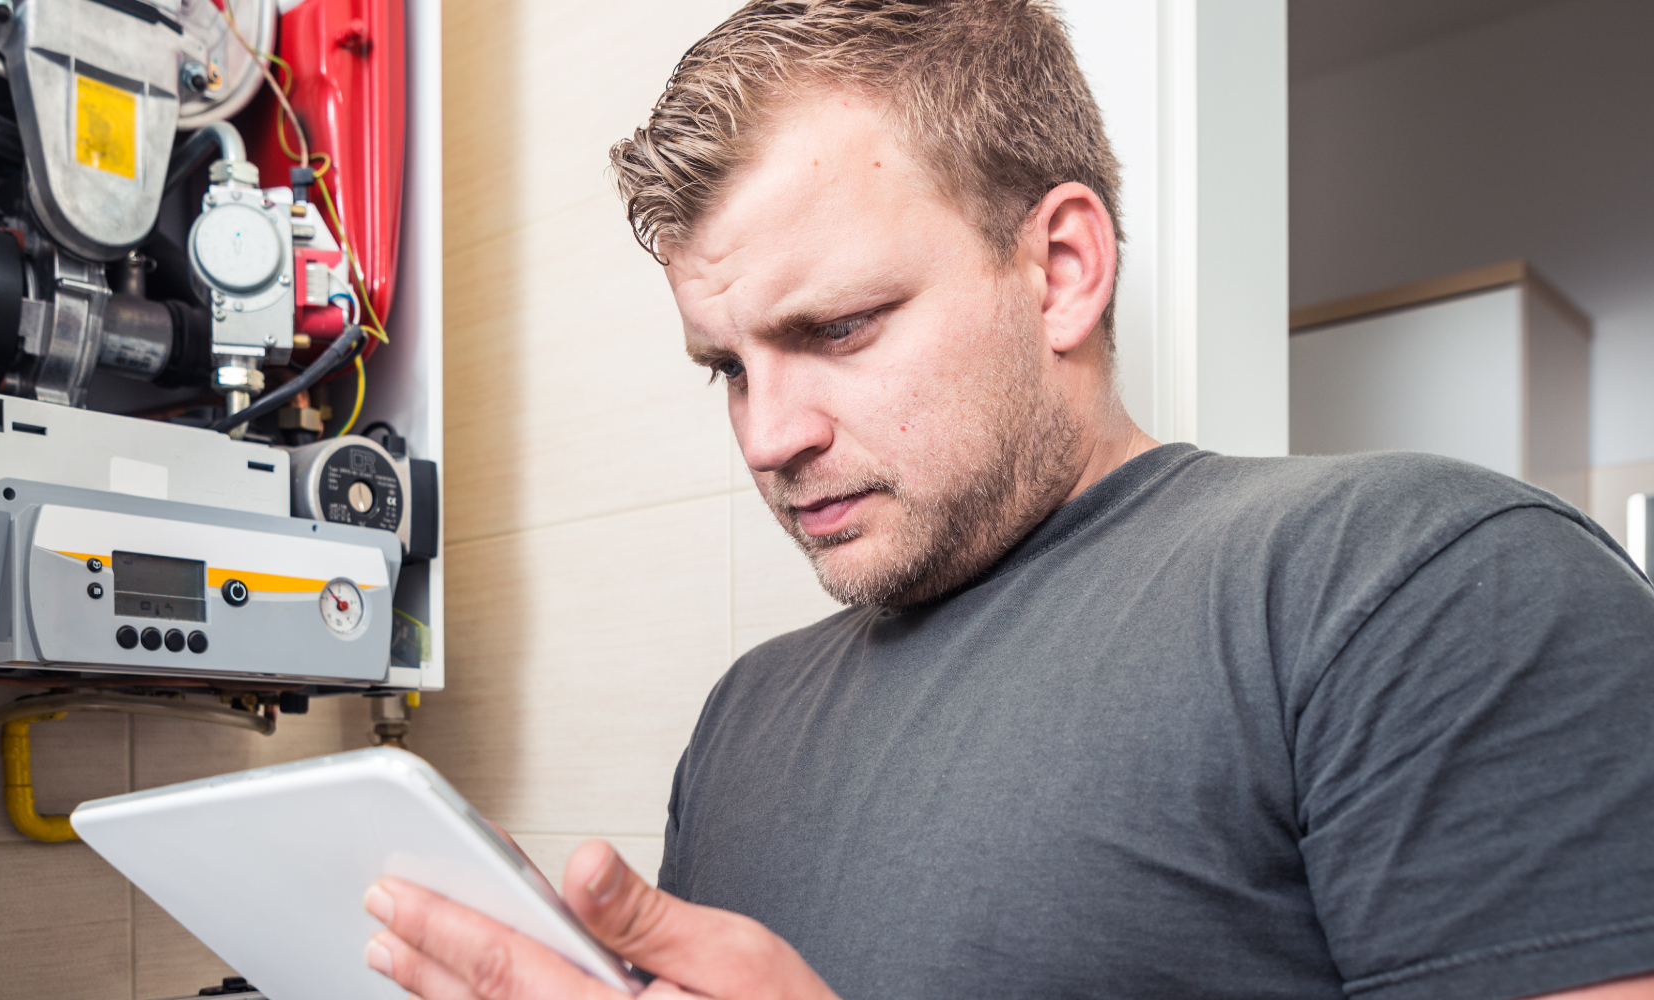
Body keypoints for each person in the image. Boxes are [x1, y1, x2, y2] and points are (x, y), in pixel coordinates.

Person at [360, 2, 1654, 998]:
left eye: (840, 329)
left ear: (1062, 268)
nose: (769, 436)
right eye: (728, 371)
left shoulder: (1426, 588)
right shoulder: (746, 714)